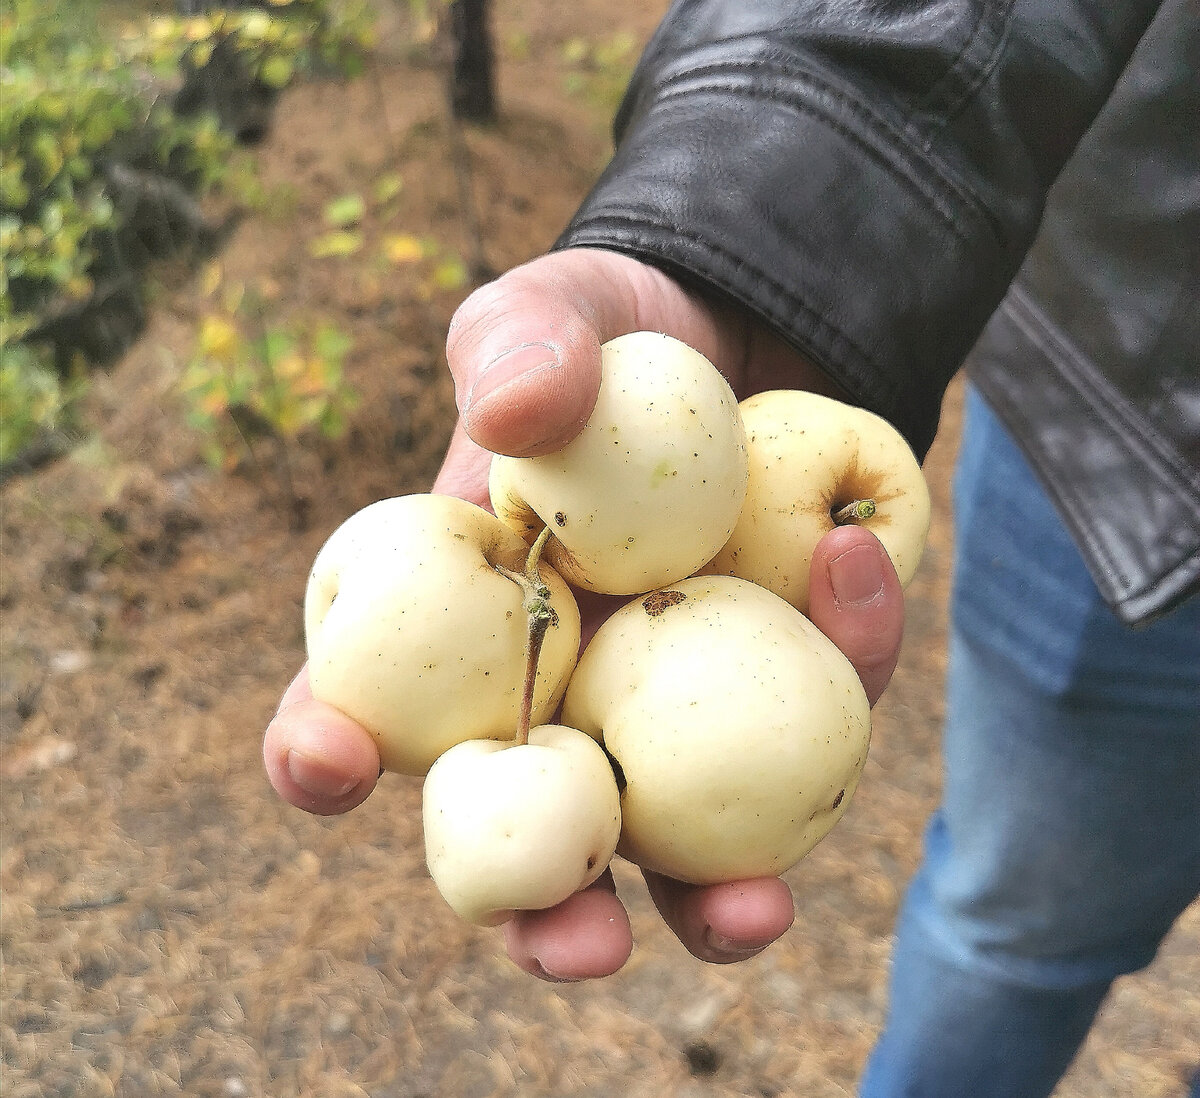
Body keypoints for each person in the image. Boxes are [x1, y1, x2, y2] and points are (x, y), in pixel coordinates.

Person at [264, 1, 1200, 1095]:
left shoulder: (556, 592)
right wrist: (728, 258)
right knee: (1019, 925)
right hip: (1137, 456)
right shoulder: (563, 557)